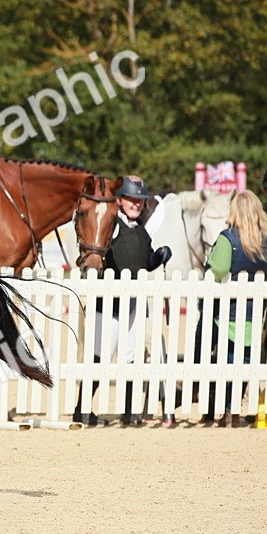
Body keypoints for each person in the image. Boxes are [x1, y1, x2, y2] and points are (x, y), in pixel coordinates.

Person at [73, 176, 171, 426]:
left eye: (140, 200)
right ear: (119, 201)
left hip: (135, 304)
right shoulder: (112, 223)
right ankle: (82, 409)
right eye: (131, 199)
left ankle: (129, 411)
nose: (136, 204)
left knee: (132, 359)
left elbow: (144, 262)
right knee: (100, 357)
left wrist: (158, 257)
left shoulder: (141, 230)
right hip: (109, 305)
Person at [202, 191, 267, 423]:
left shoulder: (228, 238)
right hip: (256, 314)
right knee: (244, 361)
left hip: (228, 311)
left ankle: (224, 409)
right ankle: (234, 409)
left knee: (226, 360)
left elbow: (219, 269)